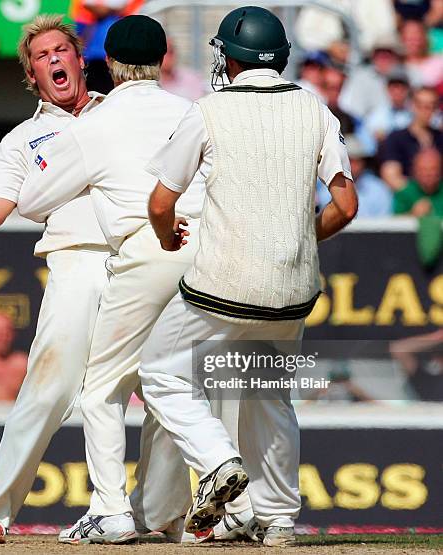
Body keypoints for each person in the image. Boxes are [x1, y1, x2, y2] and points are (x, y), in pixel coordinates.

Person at [0, 15, 189, 545]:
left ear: (80, 59)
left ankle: (159, 509)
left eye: (62, 49)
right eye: (42, 56)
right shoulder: (23, 139)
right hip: (78, 262)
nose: (54, 60)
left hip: (143, 258)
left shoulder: (124, 108)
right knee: (50, 387)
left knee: (165, 385)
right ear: (31, 76)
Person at [18, 14, 259, 545]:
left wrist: (86, 179)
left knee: (103, 387)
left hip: (151, 248)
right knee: (174, 384)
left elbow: (31, 201)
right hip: (213, 254)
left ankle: (112, 511)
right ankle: (198, 511)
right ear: (163, 60)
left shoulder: (93, 126)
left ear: (108, 64)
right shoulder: (193, 112)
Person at [135, 6, 356, 547]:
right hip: (294, 291)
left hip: (222, 287)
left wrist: (166, 236)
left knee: (161, 371)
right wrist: (302, 240)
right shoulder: (314, 107)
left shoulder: (209, 109)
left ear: (229, 56)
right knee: (268, 395)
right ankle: (278, 519)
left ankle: (217, 462)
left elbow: (161, 202)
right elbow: (345, 205)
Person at [380, 87, 443, 191]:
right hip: (408, 200)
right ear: (412, 106)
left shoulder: (440, 138)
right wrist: (416, 195)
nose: (427, 111)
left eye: (432, 106)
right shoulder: (396, 138)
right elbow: (391, 176)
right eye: (422, 106)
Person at [393, 147, 443, 216]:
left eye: (433, 169)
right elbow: (395, 223)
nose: (428, 174)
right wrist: (412, 214)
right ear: (415, 171)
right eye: (423, 169)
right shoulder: (404, 194)